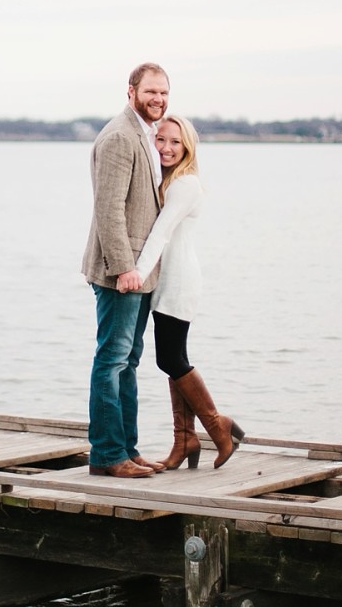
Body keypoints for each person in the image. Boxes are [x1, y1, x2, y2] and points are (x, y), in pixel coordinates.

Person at [131, 115, 245, 469]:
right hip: (167, 278)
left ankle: (217, 425)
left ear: (188, 147)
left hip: (179, 279)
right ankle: (185, 440)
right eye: (161, 140)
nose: (166, 148)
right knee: (172, 357)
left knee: (171, 359)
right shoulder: (166, 179)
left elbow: (161, 233)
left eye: (175, 142)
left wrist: (137, 273)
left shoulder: (185, 184)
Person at [81, 62, 170, 478]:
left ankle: (127, 450)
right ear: (131, 91)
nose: (158, 99)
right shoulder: (119, 136)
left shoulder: (147, 134)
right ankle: (107, 455)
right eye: (151, 91)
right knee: (112, 360)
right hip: (121, 272)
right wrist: (123, 268)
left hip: (140, 270)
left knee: (128, 361)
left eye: (164, 92)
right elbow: (109, 209)